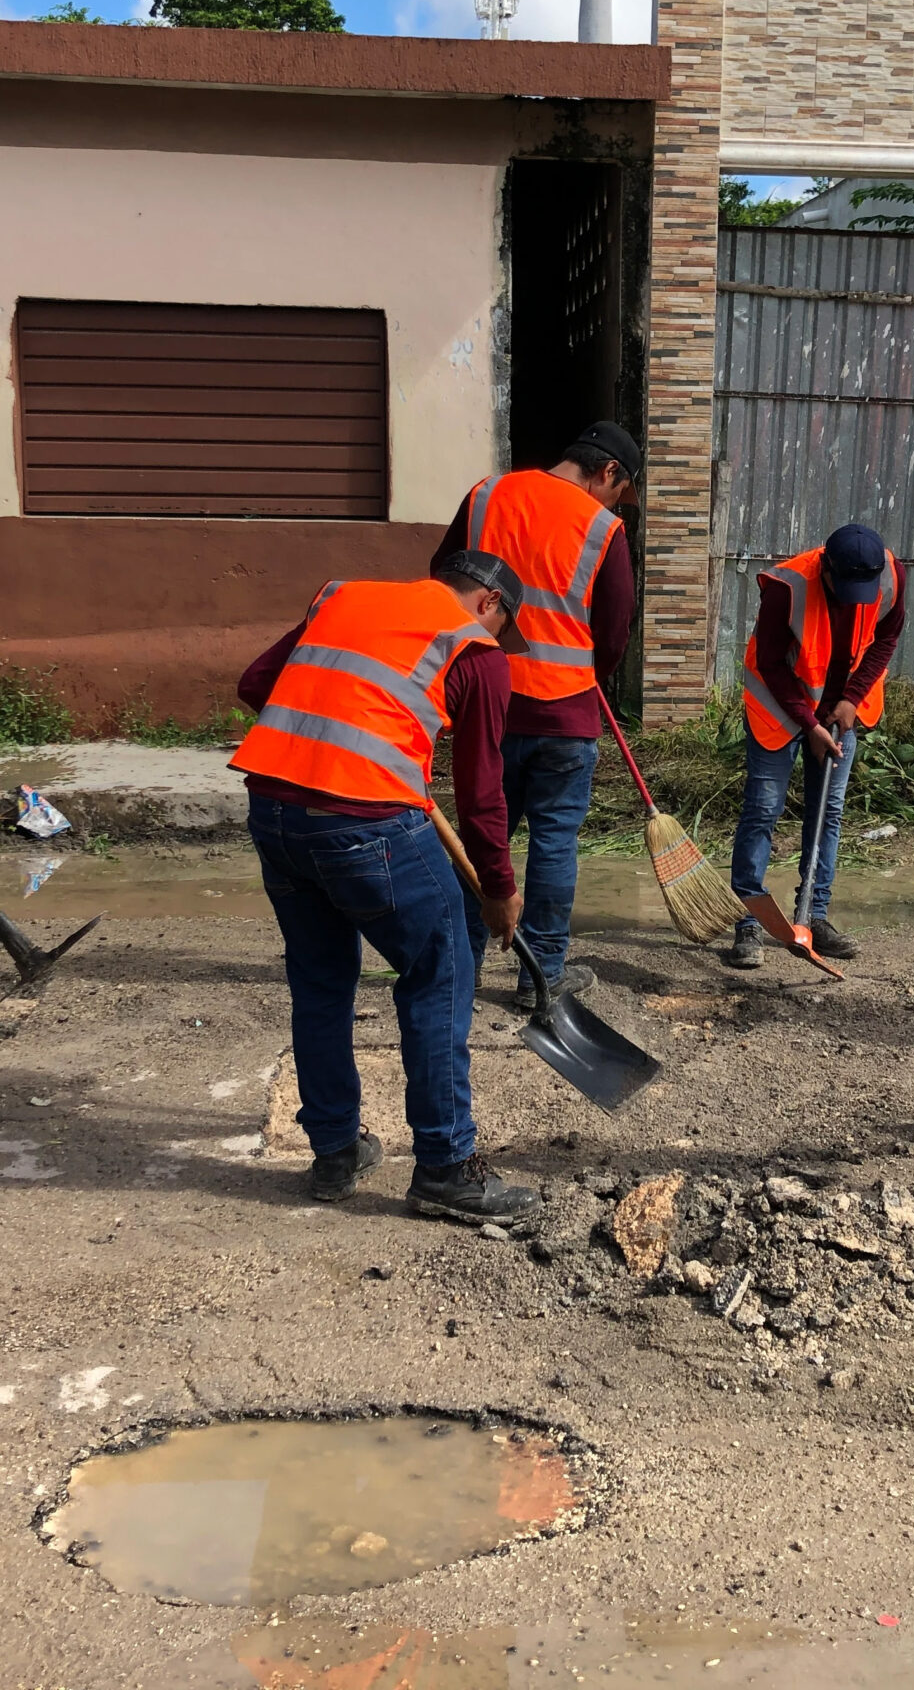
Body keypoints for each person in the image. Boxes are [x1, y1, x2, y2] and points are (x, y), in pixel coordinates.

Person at [231, 552, 540, 1224]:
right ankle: (446, 1169)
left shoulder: (341, 596)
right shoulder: (478, 651)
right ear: (490, 604)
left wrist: (362, 738)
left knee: (319, 980)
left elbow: (257, 683)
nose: (497, 639)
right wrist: (499, 888)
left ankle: (336, 1152)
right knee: (443, 970)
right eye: (502, 625)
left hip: (273, 811)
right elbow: (483, 793)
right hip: (366, 824)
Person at [434, 422, 641, 1008]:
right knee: (554, 842)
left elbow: (441, 580)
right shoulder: (604, 528)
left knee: (482, 835)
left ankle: (459, 966)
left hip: (485, 703)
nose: (612, 502)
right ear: (607, 473)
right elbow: (616, 624)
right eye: (618, 489)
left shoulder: (485, 496)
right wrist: (593, 672)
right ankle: (541, 977)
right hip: (566, 713)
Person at [727, 522, 905, 968]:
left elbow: (885, 640)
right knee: (763, 809)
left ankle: (813, 917)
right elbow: (769, 660)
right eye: (845, 587)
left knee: (828, 811)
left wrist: (850, 700)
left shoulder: (889, 577)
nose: (853, 597)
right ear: (825, 567)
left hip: (840, 711)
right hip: (780, 706)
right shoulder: (787, 586)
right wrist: (809, 723)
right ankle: (749, 920)